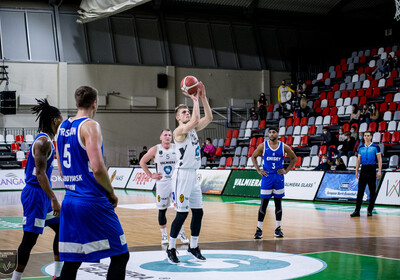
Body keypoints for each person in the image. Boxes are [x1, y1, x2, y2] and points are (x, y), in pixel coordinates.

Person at [56, 86, 129, 279]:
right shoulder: (90, 126)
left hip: (70, 201)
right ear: (95, 103)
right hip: (90, 201)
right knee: (121, 255)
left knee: (72, 261)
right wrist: (111, 193)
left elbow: (61, 168)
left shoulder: (63, 127)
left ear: (76, 102)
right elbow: (97, 168)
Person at [12, 99, 63, 280]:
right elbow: (40, 174)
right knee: (29, 240)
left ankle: (58, 275)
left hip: (41, 194)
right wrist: (54, 199)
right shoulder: (43, 142)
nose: (61, 123)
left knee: (62, 228)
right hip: (35, 194)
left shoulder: (47, 140)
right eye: (61, 120)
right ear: (55, 120)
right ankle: (15, 278)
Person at [166, 81, 213, 264]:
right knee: (182, 214)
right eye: (183, 112)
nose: (187, 113)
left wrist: (203, 98)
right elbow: (194, 120)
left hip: (194, 175)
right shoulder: (179, 131)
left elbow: (208, 117)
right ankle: (171, 248)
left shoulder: (193, 129)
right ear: (178, 117)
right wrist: (194, 100)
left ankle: (193, 247)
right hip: (181, 175)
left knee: (198, 213)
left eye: (187, 111)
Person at [139, 129, 189, 245]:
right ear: (161, 137)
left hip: (176, 182)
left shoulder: (176, 147)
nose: (167, 137)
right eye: (165, 135)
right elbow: (142, 162)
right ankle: (164, 235)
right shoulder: (155, 149)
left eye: (170, 135)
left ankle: (181, 233)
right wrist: (151, 175)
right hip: (162, 183)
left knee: (180, 209)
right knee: (162, 210)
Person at [251, 127, 297, 239]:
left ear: (277, 134)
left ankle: (278, 229)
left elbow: (294, 158)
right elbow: (253, 156)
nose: (271, 134)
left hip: (278, 178)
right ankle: (259, 229)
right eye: (270, 132)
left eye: (273, 132)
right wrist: (258, 170)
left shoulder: (283, 146)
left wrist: (286, 170)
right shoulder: (263, 145)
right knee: (263, 204)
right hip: (267, 177)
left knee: (278, 204)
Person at [351, 131, 382, 217]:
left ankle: (370, 210)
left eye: (368, 136)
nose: (366, 137)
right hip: (363, 169)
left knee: (372, 191)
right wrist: (356, 171)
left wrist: (379, 171)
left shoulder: (376, 147)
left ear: (371, 137)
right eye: (365, 136)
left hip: (372, 169)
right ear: (363, 137)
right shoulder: (360, 147)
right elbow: (358, 160)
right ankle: (357, 211)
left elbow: (379, 160)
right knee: (360, 191)